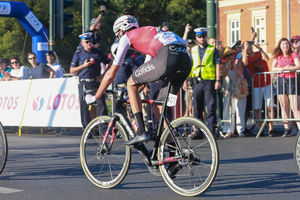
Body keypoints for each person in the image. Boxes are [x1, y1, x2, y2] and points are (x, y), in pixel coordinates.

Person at [86, 15, 191, 147]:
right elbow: (145, 77)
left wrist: (96, 96)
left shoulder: (126, 37)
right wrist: (133, 93)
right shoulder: (150, 34)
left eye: (117, 35)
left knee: (130, 82)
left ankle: (141, 132)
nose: (119, 38)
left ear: (121, 30)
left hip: (168, 55)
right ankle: (174, 154)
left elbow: (110, 75)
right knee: (158, 110)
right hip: (185, 60)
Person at [70, 32, 111, 133]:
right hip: (84, 83)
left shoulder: (98, 52)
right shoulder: (78, 54)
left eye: (91, 41)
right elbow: (72, 70)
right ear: (82, 43)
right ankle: (87, 130)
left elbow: (110, 62)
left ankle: (104, 130)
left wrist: (104, 75)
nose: (89, 43)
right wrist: (84, 66)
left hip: (96, 82)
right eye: (87, 41)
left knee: (101, 105)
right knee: (84, 107)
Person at [184, 27, 222, 139]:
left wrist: (218, 80)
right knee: (197, 107)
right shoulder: (193, 50)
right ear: (196, 37)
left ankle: (211, 131)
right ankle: (198, 131)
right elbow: (190, 66)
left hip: (209, 81)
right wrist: (186, 81)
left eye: (203, 36)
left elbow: (218, 64)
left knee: (210, 106)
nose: (201, 38)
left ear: (206, 37)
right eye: (199, 36)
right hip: (196, 82)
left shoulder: (212, 49)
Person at [242, 41, 274, 137]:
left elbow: (266, 58)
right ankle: (261, 129)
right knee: (257, 108)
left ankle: (271, 129)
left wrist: (259, 48)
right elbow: (244, 63)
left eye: (250, 46)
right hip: (256, 85)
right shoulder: (246, 57)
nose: (249, 47)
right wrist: (245, 51)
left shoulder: (258, 53)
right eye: (247, 46)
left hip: (267, 82)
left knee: (269, 106)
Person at [271, 38, 300, 137]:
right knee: (284, 107)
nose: (285, 46)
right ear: (280, 46)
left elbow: (298, 65)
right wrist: (281, 68)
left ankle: (299, 128)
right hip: (281, 80)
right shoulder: (278, 56)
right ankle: (287, 129)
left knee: (295, 107)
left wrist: (289, 68)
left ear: (289, 45)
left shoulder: (293, 54)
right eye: (283, 44)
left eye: (287, 44)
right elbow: (273, 67)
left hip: (292, 80)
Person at [221, 47, 246, 138]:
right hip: (228, 87)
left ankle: (240, 130)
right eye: (228, 55)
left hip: (238, 87)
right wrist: (228, 68)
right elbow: (223, 76)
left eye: (231, 54)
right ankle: (229, 130)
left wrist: (234, 68)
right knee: (227, 109)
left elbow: (241, 75)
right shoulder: (224, 64)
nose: (230, 56)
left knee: (240, 109)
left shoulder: (238, 61)